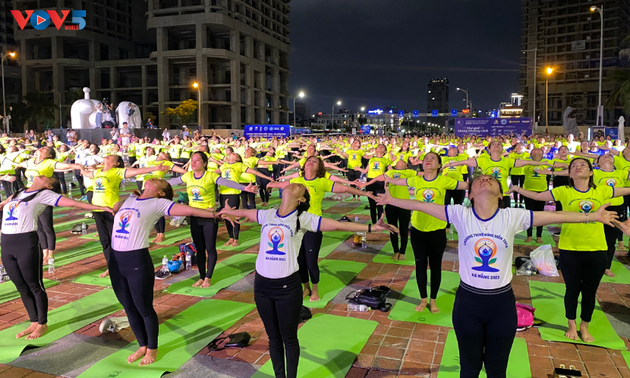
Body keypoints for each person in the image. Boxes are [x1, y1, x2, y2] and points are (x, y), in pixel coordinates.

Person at [376, 174, 617, 377]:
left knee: (497, 369)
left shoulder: (511, 216)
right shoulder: (461, 214)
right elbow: (419, 205)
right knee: (469, 369)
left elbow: (557, 216)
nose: (484, 181)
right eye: (479, 180)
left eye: (491, 180)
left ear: (501, 195)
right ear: (469, 194)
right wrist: (390, 199)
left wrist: (592, 216)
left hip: (501, 305)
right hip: (468, 303)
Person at [217, 182, 398, 378]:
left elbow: (338, 225)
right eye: (292, 183)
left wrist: (372, 227)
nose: (293, 184)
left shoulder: (302, 218)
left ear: (301, 199)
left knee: (289, 338)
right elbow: (245, 213)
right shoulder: (267, 214)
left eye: (299, 187)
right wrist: (229, 211)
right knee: (273, 338)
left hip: (287, 287)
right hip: (262, 285)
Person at [509, 157, 630, 342]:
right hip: (569, 248)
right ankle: (572, 324)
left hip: (597, 248)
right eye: (573, 166)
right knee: (572, 289)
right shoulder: (563, 191)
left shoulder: (603, 190)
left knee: (590, 291)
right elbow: (537, 196)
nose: (578, 167)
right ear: (569, 174)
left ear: (591, 172)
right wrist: (516, 188)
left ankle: (585, 326)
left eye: (583, 165)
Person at [109, 178, 224, 366]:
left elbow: (191, 210)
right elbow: (115, 208)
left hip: (136, 259)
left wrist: (216, 215)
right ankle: (142, 345)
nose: (155, 177)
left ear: (160, 193)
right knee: (128, 307)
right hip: (116, 260)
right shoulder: (130, 199)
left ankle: (152, 348)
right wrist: (128, 199)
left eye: (159, 181)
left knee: (143, 307)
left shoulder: (159, 203)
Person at [0, 176, 113, 340]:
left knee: (34, 285)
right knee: (21, 286)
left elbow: (74, 203)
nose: (42, 175)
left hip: (26, 243)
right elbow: (4, 205)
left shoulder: (44, 195)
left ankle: (42, 324)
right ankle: (33, 321)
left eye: (46, 177)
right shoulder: (19, 192)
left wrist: (102, 208)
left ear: (47, 185)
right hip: (7, 243)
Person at [268, 156, 375, 301]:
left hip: (313, 225)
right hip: (295, 226)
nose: (311, 162)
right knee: (299, 260)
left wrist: (365, 193)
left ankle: (315, 289)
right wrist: (269, 185)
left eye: (315, 162)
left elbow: (344, 188)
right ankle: (305, 287)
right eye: (309, 161)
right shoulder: (296, 181)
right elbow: (281, 185)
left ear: (319, 168)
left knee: (311, 261)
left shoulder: (322, 182)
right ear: (304, 165)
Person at [384, 152, 468, 312]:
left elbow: (465, 185)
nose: (428, 160)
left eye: (433, 159)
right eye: (426, 159)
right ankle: (423, 299)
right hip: (417, 230)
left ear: (438, 165)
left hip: (437, 231)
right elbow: (395, 180)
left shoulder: (444, 180)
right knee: (420, 265)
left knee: (435, 267)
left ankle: (433, 300)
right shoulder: (416, 180)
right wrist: (386, 178)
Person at [168, 152, 257, 288]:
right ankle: (201, 276)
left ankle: (208, 277)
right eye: (192, 160)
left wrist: (244, 188)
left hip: (209, 217)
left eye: (197, 160)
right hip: (194, 218)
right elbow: (170, 183)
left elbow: (226, 182)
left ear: (205, 163)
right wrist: (151, 185)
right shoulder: (188, 176)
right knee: (200, 249)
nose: (193, 162)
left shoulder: (210, 176)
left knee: (210, 248)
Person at [81, 155, 169, 278]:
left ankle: (120, 266)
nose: (107, 156)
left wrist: (155, 167)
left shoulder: (116, 172)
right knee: (104, 241)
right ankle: (111, 266)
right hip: (97, 209)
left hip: (112, 209)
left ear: (116, 163)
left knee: (115, 240)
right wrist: (81, 169)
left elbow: (136, 171)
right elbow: (87, 173)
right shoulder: (98, 171)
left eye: (112, 156)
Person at [13, 147, 83, 262]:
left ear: (49, 155)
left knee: (46, 225)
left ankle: (50, 253)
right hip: (30, 196)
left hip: (43, 195)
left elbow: (65, 166)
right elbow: (20, 164)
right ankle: (44, 251)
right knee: (39, 227)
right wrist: (15, 164)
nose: (41, 148)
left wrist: (78, 166)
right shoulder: (31, 161)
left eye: (45, 148)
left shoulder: (49, 163)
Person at [445, 140, 550, 208]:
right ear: (489, 150)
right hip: (487, 194)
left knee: (504, 221)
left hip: (504, 194)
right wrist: (449, 165)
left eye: (499, 144)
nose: (496, 145)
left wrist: (541, 162)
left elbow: (527, 162)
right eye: (493, 144)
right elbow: (464, 162)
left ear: (502, 149)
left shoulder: (507, 161)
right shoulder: (483, 160)